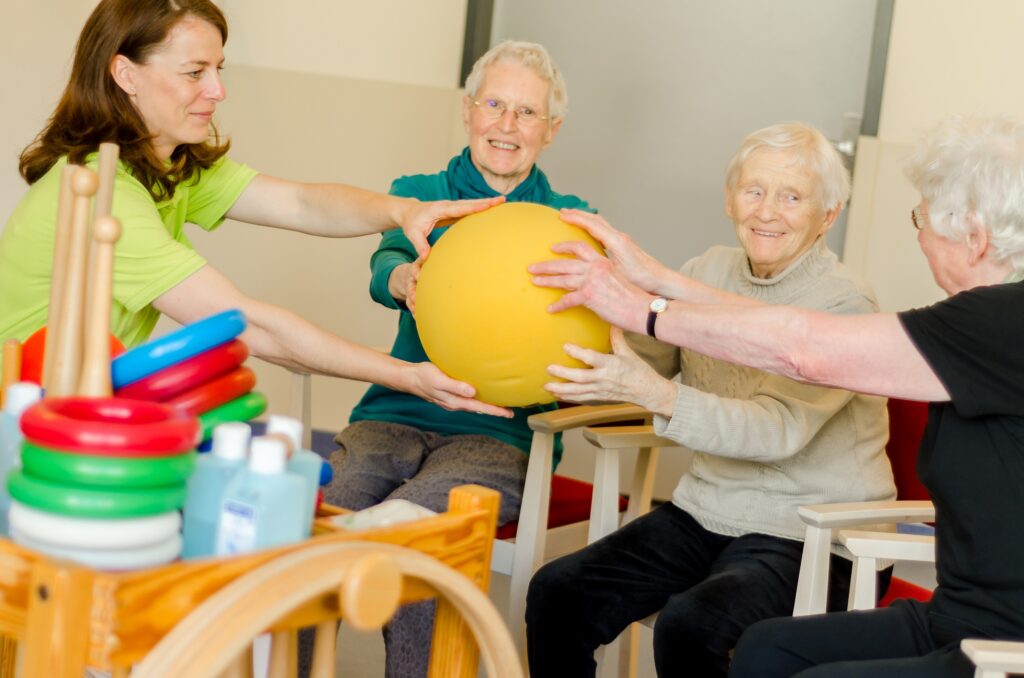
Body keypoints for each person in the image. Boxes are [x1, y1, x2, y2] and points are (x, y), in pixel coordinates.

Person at [529, 115, 1024, 678]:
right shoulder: (971, 323)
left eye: (791, 196)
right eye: (755, 190)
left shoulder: (896, 310)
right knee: (558, 592)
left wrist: (649, 319)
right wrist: (575, 342)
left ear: (828, 215)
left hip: (810, 529)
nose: (767, 210)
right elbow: (688, 348)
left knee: (694, 624)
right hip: (710, 514)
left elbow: (795, 366)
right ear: (730, 199)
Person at [0, 0, 509, 419]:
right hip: (22, 418)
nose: (217, 91)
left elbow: (302, 202)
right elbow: (249, 326)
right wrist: (406, 375)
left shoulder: (164, 169)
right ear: (125, 74)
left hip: (63, 410)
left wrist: (403, 211)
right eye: (195, 72)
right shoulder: (102, 194)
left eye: (218, 69)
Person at [319, 39, 594, 678]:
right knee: (326, 523)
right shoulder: (419, 195)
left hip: (497, 432)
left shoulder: (574, 223)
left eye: (527, 113)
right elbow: (383, 265)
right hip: (391, 412)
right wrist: (404, 281)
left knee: (418, 533)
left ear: (550, 131)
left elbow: (596, 327)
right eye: (494, 105)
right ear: (468, 111)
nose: (507, 124)